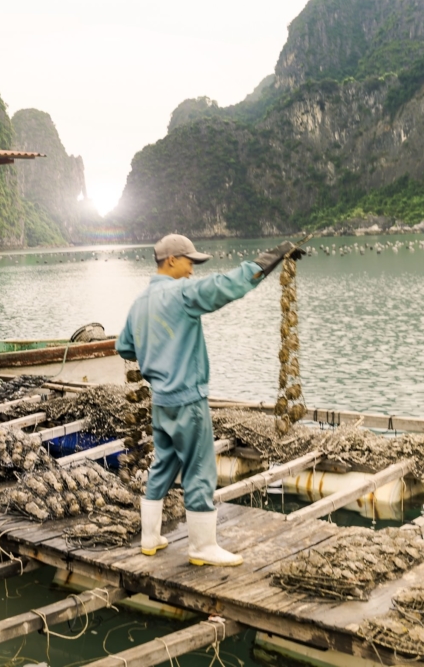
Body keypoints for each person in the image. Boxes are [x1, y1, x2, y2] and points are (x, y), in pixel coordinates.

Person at [116, 234, 305, 567]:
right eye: (189, 261)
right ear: (171, 260)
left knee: (163, 462)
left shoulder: (140, 302)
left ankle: (150, 538)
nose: (192, 270)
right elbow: (222, 287)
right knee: (200, 467)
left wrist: (154, 354)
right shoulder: (182, 294)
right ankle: (202, 546)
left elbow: (124, 347)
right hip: (187, 398)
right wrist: (268, 260)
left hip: (161, 400)